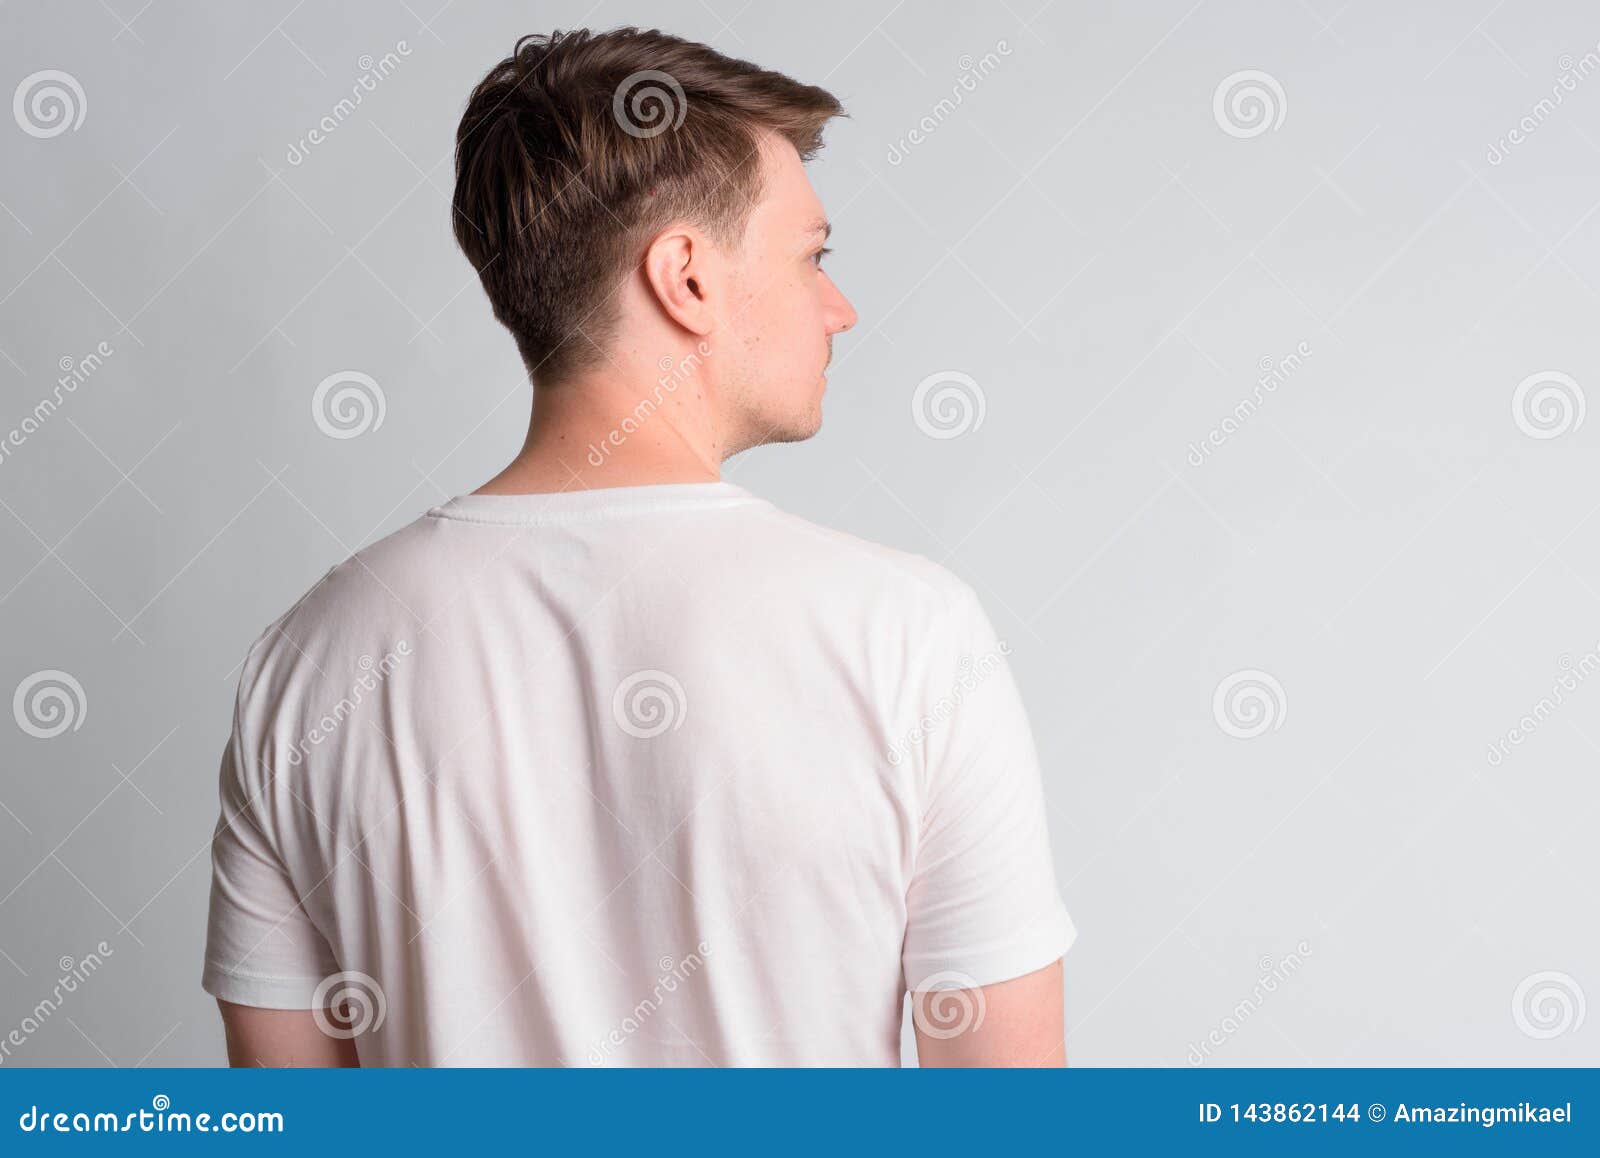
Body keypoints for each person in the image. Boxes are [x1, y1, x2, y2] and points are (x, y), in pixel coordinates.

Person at [203, 26, 1074, 1067]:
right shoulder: (907, 636)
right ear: (687, 278)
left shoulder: (307, 662)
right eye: (811, 257)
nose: (838, 309)